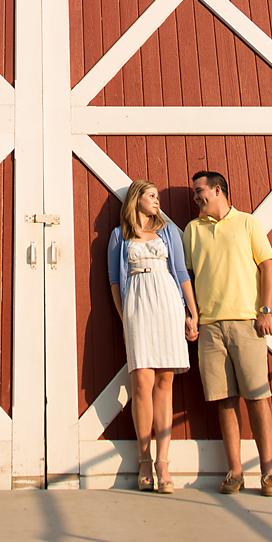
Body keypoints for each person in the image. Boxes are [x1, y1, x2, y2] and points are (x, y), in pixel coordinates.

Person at [183, 169, 272, 497]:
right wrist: (191, 315)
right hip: (210, 328)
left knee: (257, 397)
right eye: (194, 192)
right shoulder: (192, 230)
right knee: (224, 401)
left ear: (219, 190)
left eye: (200, 191)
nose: (196, 197)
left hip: (247, 323)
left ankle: (268, 473)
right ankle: (235, 471)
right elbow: (187, 276)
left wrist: (265, 310)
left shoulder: (248, 223)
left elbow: (268, 264)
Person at [108, 180, 199, 494]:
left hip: (167, 304)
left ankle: (163, 461)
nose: (156, 200)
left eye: (158, 196)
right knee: (142, 382)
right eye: (151, 196)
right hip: (137, 305)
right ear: (136, 200)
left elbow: (182, 273)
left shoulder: (170, 233)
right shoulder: (119, 236)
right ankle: (144, 459)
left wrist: (191, 310)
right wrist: (124, 317)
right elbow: (114, 281)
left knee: (165, 381)